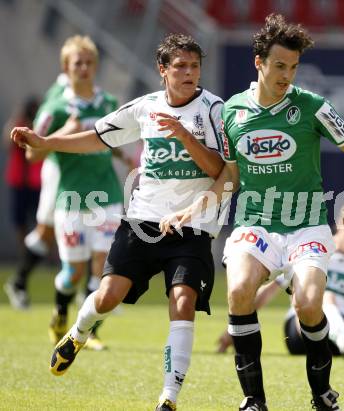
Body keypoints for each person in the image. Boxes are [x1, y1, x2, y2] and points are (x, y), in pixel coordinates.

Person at [159, 14, 344, 411]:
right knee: (239, 291)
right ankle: (254, 400)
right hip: (255, 225)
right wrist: (193, 207)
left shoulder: (312, 107)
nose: (286, 75)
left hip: (306, 224)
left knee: (309, 303)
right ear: (258, 62)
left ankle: (322, 393)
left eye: (293, 67)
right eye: (279, 66)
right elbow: (229, 177)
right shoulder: (231, 113)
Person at [11, 33, 224, 411]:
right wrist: (45, 142)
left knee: (183, 300)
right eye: (180, 66)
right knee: (108, 296)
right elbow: (96, 138)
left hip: (191, 227)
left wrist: (185, 137)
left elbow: (220, 170)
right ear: (163, 71)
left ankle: (169, 397)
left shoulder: (214, 111)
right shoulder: (144, 108)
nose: (189, 73)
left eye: (194, 66)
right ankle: (77, 334)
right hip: (143, 222)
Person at [216, 201, 344, 362]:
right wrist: (232, 330)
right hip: (303, 329)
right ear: (340, 224)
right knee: (325, 295)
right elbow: (268, 291)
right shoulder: (313, 249)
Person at [23, 35, 124, 350]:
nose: (83, 68)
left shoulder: (108, 103)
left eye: (89, 62)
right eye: (77, 63)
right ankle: (61, 313)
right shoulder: (54, 107)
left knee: (102, 265)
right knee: (72, 272)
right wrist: (63, 133)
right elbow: (32, 154)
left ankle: (89, 331)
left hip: (106, 196)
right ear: (66, 67)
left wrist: (127, 156)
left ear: (96, 66)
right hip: (71, 198)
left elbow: (112, 141)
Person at [2, 97, 42, 309]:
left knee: (41, 227)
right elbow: (7, 142)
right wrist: (18, 120)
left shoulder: (40, 127)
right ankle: (24, 260)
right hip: (19, 182)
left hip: (36, 184)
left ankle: (23, 271)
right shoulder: (18, 126)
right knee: (21, 225)